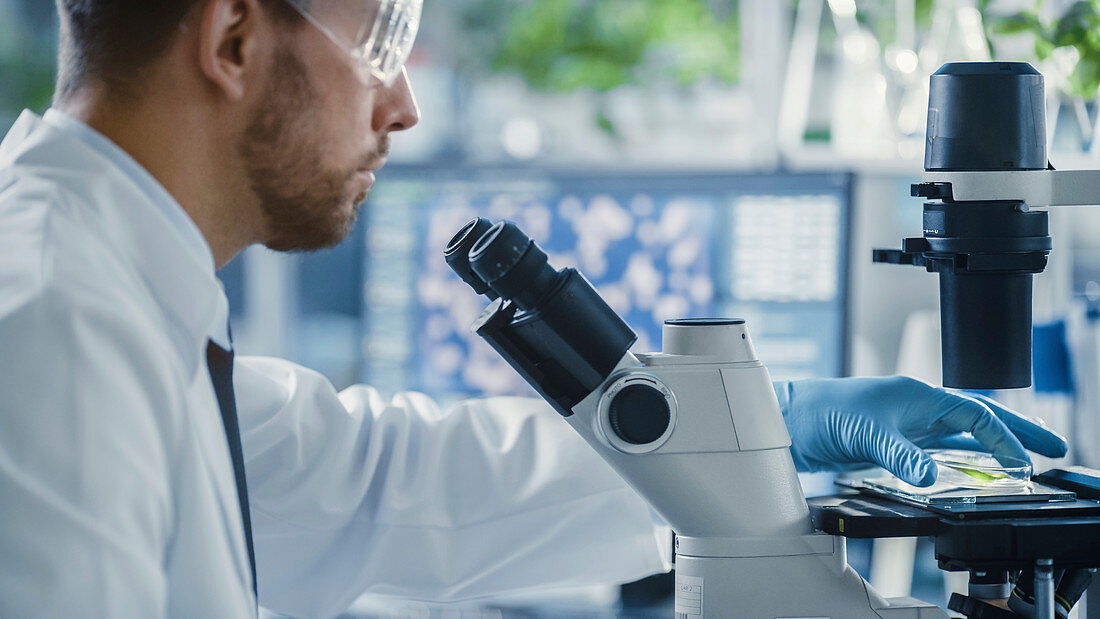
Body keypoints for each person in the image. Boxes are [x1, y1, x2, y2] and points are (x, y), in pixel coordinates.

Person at [0, 1, 1068, 617]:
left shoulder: (115, 295)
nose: (404, 103)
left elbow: (377, 483)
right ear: (231, 35)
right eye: (379, 40)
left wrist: (765, 425)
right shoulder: (51, 327)